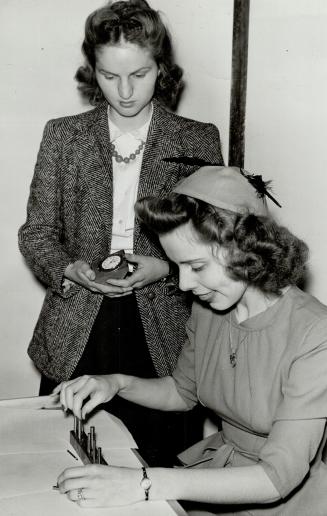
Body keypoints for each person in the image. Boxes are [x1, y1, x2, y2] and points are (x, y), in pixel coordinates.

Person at [18, 0, 224, 467]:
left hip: (165, 331)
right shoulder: (62, 136)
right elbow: (37, 232)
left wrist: (165, 267)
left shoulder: (198, 139)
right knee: (69, 461)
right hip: (78, 324)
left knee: (160, 464)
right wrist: (66, 267)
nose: (126, 91)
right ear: (93, 71)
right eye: (110, 77)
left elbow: (216, 243)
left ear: (162, 69)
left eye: (140, 74)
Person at [55, 166, 327, 515]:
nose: (183, 284)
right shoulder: (210, 306)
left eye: (196, 267)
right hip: (215, 480)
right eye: (176, 266)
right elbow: (182, 392)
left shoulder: (315, 334)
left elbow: (276, 478)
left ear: (247, 250)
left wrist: (142, 483)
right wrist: (116, 383)